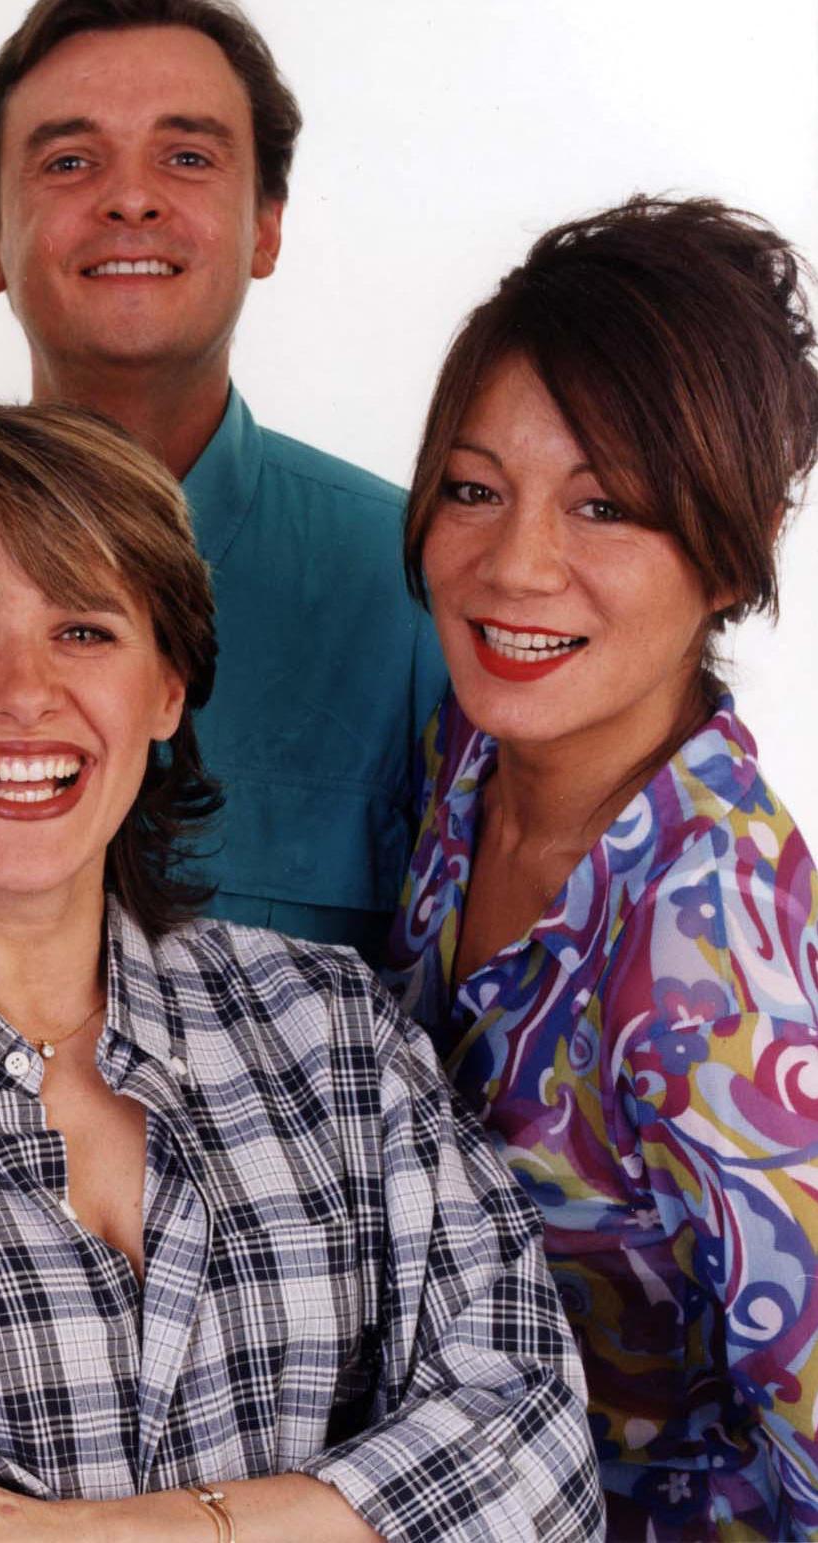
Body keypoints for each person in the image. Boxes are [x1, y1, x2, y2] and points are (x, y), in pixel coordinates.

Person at [0, 394, 601, 1543]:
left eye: (83, 629)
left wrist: (59, 1530)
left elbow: (535, 1459)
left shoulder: (333, 1027)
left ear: (165, 687)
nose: (21, 694)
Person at [384, 197, 818, 1539]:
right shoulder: (466, 750)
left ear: (725, 549)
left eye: (604, 506)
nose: (513, 566)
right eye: (470, 487)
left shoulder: (709, 965)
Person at [0, 0, 444, 955]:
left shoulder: (416, 586)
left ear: (266, 228)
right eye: (67, 161)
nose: (129, 199)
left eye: (186, 157)